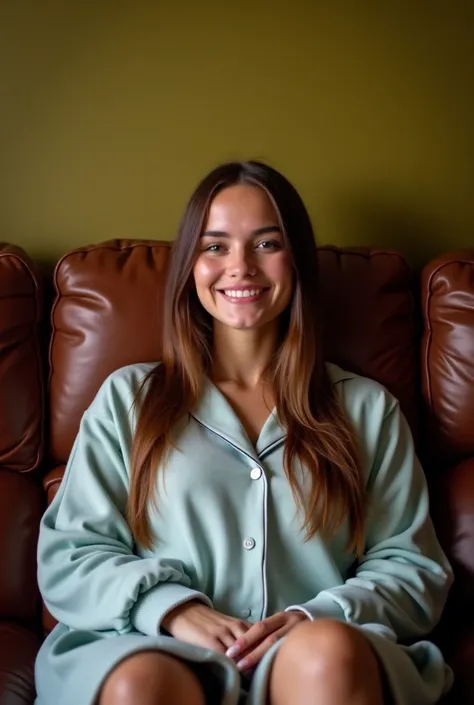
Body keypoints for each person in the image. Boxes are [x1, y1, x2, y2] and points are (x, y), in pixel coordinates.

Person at [35, 161, 454, 705]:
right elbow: (70, 553)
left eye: (266, 243)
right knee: (141, 685)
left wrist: (313, 616)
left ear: (296, 260)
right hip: (152, 645)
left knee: (328, 654)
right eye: (215, 247)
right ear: (190, 265)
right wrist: (171, 609)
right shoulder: (127, 400)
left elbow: (412, 566)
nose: (240, 267)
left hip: (313, 654)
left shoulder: (368, 410)